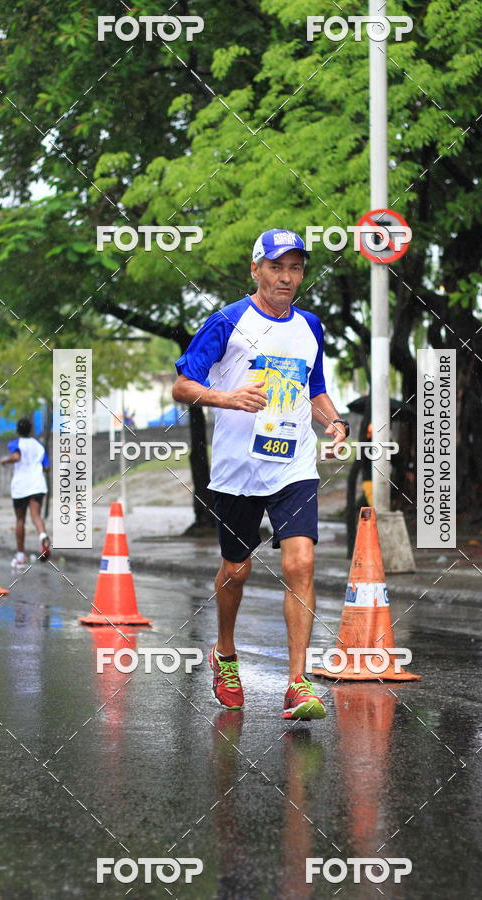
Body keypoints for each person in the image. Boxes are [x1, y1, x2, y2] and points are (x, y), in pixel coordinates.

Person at [172, 228, 350, 720]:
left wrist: (333, 422)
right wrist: (226, 397)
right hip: (237, 470)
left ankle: (298, 682)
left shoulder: (310, 326)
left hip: (294, 464)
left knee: (301, 564)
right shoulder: (227, 321)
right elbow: (182, 386)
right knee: (237, 569)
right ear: (256, 269)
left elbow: (314, 387)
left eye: (295, 268)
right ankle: (225, 654)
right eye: (276, 267)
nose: (286, 277)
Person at [0, 417, 51, 568]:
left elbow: (16, 457)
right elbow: (47, 467)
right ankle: (43, 535)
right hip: (37, 484)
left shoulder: (15, 443)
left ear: (18, 430)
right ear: (30, 430)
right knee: (36, 516)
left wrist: (4, 460)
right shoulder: (39, 445)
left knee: (20, 520)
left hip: (21, 486)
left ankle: (20, 556)